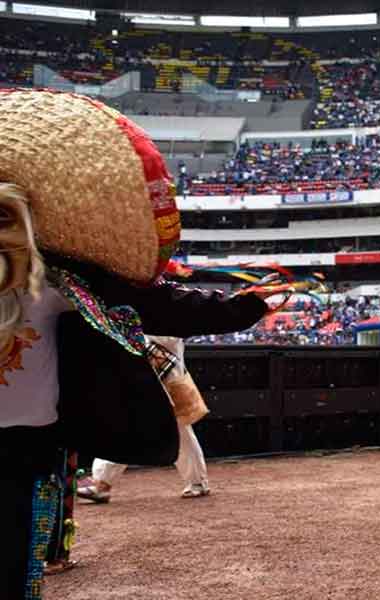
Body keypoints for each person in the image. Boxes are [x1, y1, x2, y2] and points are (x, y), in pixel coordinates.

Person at [0, 89, 276, 599]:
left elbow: (154, 302)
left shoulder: (53, 283)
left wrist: (243, 307)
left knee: (18, 565)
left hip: (27, 447)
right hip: (30, 443)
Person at [78, 336, 212, 502]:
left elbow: (171, 335)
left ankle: (197, 482)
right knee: (128, 423)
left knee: (178, 428)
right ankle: (102, 482)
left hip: (165, 371)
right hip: (137, 369)